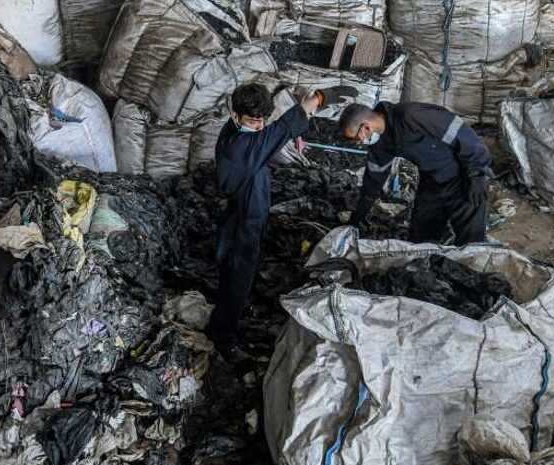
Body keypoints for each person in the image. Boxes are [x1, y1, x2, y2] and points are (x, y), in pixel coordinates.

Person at [207, 83, 324, 351]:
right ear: (235, 115)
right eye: (252, 120)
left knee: (234, 269)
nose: (259, 127)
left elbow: (273, 135)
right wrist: (310, 104)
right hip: (244, 216)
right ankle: (223, 336)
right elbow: (279, 130)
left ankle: (226, 317)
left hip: (246, 211)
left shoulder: (244, 134)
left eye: (262, 121)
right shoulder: (239, 145)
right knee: (238, 272)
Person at [340, 101, 492, 244]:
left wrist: (477, 175)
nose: (359, 143)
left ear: (366, 127)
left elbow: (464, 136)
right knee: (421, 237)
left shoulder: (411, 116)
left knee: (471, 241)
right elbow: (373, 181)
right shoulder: (380, 143)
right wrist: (356, 219)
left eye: (356, 138)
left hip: (463, 177)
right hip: (431, 182)